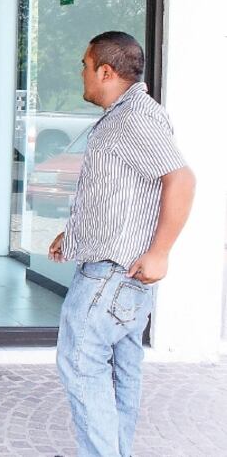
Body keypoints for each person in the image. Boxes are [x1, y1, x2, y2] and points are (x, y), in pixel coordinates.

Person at [48, 32, 194, 457]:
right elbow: (125, 194)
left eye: (84, 64)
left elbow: (181, 179)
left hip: (111, 277)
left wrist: (161, 251)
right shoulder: (133, 114)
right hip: (121, 274)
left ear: (106, 72)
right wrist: (72, 237)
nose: (81, 73)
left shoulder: (133, 119)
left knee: (80, 366)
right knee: (119, 375)